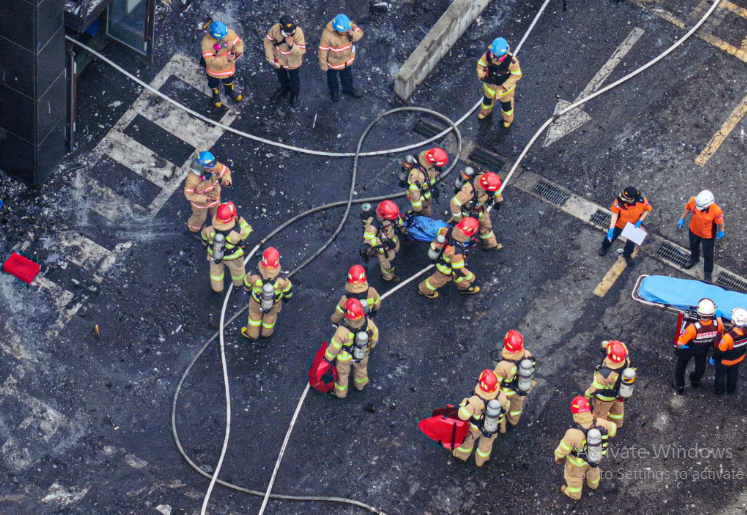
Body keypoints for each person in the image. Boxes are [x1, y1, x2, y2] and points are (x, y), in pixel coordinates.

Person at [554, 396, 617, 500]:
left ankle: (574, 494)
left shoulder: (572, 433)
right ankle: (593, 484)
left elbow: (561, 451)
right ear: (589, 410)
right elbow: (613, 431)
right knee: (593, 470)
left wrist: (558, 458)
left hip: (576, 463)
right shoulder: (600, 422)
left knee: (574, 478)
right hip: (594, 458)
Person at [452, 369, 510, 467]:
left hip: (474, 429)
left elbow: (462, 415)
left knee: (467, 442)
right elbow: (506, 409)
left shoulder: (473, 401)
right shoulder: (502, 396)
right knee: (486, 445)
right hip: (492, 427)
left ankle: (461, 455)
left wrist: (464, 402)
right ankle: (481, 461)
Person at [324, 299, 378, 398]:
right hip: (362, 354)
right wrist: (371, 347)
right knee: (361, 369)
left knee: (342, 376)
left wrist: (327, 359)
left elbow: (334, 347)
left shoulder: (342, 330)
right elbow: (374, 337)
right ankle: (360, 385)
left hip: (344, 358)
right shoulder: (369, 324)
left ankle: (341, 393)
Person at [418, 217, 480, 298]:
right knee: (436, 281)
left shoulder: (447, 230)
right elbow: (459, 270)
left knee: (459, 278)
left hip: (447, 263)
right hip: (446, 269)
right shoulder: (456, 252)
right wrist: (471, 277)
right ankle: (424, 290)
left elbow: (439, 232)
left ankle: (464, 288)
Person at [673, 298, 724, 394]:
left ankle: (679, 386)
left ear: (699, 312)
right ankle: (695, 381)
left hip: (688, 348)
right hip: (703, 348)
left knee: (681, 366)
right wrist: (718, 317)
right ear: (712, 313)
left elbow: (679, 343)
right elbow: (721, 329)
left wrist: (680, 348)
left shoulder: (692, 328)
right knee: (700, 364)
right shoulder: (717, 325)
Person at [240, 247, 293, 340]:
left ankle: (252, 334)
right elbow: (288, 292)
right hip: (274, 303)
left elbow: (246, 285)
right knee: (270, 318)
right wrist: (286, 299)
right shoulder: (282, 279)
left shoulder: (253, 275)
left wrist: (248, 291)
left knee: (254, 316)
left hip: (256, 301)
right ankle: (266, 334)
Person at [201, 202, 252, 294]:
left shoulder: (208, 229)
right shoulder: (237, 233)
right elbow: (248, 230)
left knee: (216, 273)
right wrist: (240, 220)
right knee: (238, 271)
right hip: (233, 257)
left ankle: (217, 289)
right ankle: (238, 285)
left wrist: (205, 244)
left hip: (214, 254)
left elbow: (204, 239)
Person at [677, 190, 725, 282]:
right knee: (693, 246)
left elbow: (720, 222)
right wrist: (682, 218)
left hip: (707, 235)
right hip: (693, 230)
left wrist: (721, 230)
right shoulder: (693, 201)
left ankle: (708, 271)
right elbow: (687, 208)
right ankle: (694, 259)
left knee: (708, 254)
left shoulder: (716, 210)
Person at [450, 171, 503, 251]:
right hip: (467, 211)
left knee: (486, 226)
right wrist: (458, 219)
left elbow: (495, 189)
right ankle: (456, 248)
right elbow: (454, 203)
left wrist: (498, 200)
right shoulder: (469, 191)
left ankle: (490, 245)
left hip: (479, 208)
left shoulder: (488, 182)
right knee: (464, 231)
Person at [598, 187, 652, 266]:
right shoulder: (618, 202)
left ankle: (627, 255)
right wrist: (611, 228)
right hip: (620, 224)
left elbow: (648, 209)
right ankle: (604, 247)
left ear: (632, 199)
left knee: (631, 243)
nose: (622, 198)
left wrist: (640, 220)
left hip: (633, 226)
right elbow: (615, 214)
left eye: (625, 198)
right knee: (611, 237)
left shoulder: (642, 202)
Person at [493, 329, 535, 430]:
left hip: (506, 393)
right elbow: (532, 367)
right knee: (516, 407)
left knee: (502, 410)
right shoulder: (527, 354)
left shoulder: (502, 365)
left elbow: (495, 382)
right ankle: (513, 421)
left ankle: (502, 429)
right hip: (522, 388)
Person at [183, 151, 232, 237]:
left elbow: (225, 171)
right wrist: (204, 198)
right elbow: (189, 195)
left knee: (218, 213)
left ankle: (218, 227)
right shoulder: (192, 179)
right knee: (199, 218)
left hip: (215, 198)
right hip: (200, 204)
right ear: (202, 167)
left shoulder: (214, 166)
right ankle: (193, 231)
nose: (213, 169)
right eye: (209, 167)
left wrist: (226, 180)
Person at [476, 37, 522, 127]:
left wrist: (505, 86)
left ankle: (508, 120)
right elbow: (480, 65)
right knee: (486, 102)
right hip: (490, 86)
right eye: (494, 56)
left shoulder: (512, 62)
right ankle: (485, 113)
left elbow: (516, 75)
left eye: (498, 56)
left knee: (507, 106)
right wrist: (482, 76)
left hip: (504, 90)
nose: (495, 58)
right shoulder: (487, 56)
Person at [584, 340, 630, 429]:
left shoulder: (605, 374)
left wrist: (587, 394)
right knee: (617, 413)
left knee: (600, 416)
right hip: (619, 394)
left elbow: (596, 389)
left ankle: (602, 430)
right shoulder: (625, 360)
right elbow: (622, 347)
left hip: (604, 399)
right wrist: (609, 345)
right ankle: (618, 425)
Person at [263, 15, 306, 107]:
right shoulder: (275, 29)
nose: (290, 33)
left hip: (293, 62)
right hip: (278, 60)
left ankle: (294, 94)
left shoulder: (298, 32)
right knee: (281, 76)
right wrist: (270, 57)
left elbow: (302, 51)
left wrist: (291, 45)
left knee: (294, 79)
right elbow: (267, 42)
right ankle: (284, 87)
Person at [318, 14, 363, 101]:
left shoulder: (348, 25)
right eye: (342, 31)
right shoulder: (327, 34)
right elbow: (323, 50)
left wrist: (352, 35)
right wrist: (323, 65)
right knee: (332, 79)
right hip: (332, 64)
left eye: (346, 31)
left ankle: (348, 90)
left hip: (347, 60)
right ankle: (334, 92)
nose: (345, 33)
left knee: (347, 76)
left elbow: (359, 33)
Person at [201, 21, 244, 108]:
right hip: (214, 72)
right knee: (213, 83)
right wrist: (226, 59)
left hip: (228, 69)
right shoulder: (206, 43)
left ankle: (229, 91)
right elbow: (210, 61)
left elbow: (238, 43)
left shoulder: (229, 33)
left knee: (229, 81)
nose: (225, 38)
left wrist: (239, 51)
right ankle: (215, 94)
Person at [363, 200, 406, 282]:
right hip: (383, 249)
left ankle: (370, 253)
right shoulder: (373, 225)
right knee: (388, 264)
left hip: (393, 240)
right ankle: (388, 276)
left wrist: (401, 227)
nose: (394, 218)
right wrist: (382, 245)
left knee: (395, 250)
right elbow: (368, 240)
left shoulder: (391, 216)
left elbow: (397, 219)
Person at [402, 148, 448, 217]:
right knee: (425, 212)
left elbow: (428, 174)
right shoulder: (418, 176)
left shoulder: (425, 160)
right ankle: (417, 215)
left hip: (426, 193)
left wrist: (434, 174)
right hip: (422, 198)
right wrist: (417, 208)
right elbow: (414, 193)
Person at [713, 307, 747, 395]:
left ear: (733, 321)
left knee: (720, 375)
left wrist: (714, 357)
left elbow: (720, 351)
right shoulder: (745, 332)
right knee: (733, 374)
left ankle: (719, 391)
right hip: (739, 358)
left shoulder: (728, 337)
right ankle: (731, 390)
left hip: (725, 361)